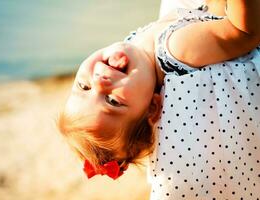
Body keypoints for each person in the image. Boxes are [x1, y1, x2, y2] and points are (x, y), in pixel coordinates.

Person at [58, 0, 260, 198]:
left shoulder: (138, 47)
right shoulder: (176, 50)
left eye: (83, 87)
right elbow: (243, 32)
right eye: (112, 101)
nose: (99, 81)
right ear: (153, 107)